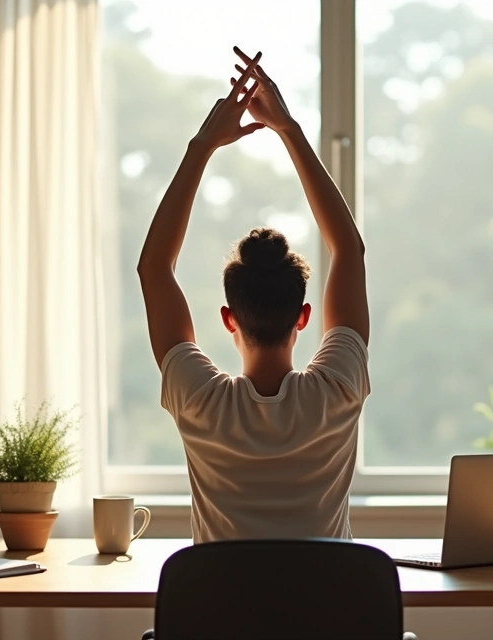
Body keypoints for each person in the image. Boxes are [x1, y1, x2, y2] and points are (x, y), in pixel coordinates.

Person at [136, 48, 370, 544]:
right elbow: (348, 249)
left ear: (229, 319)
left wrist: (202, 145)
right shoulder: (337, 390)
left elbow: (153, 269)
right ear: (303, 316)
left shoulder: (200, 401)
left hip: (219, 602)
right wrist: (288, 129)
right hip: (328, 601)